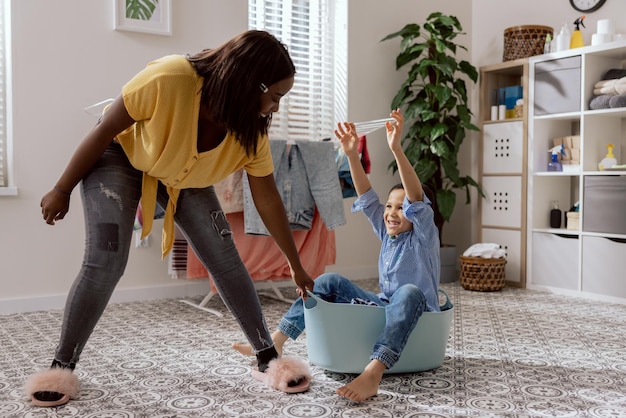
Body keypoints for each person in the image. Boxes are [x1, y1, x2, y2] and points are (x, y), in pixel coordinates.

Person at [26, 30, 315, 408]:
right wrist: (62, 188)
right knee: (106, 260)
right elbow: (104, 129)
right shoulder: (170, 78)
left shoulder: (251, 130)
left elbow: (267, 197)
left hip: (183, 176)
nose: (275, 107)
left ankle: (267, 359)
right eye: (275, 96)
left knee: (224, 255)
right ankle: (61, 365)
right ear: (250, 82)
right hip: (120, 156)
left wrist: (295, 264)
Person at [233, 108, 441, 402]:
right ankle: (276, 341)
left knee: (408, 291)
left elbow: (416, 198)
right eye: (391, 206)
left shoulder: (424, 235)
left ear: (417, 214)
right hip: (386, 306)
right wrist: (352, 154)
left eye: (403, 208)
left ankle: (373, 372)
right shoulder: (388, 234)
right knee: (328, 280)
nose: (393, 213)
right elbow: (367, 197)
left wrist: (395, 148)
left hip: (420, 309)